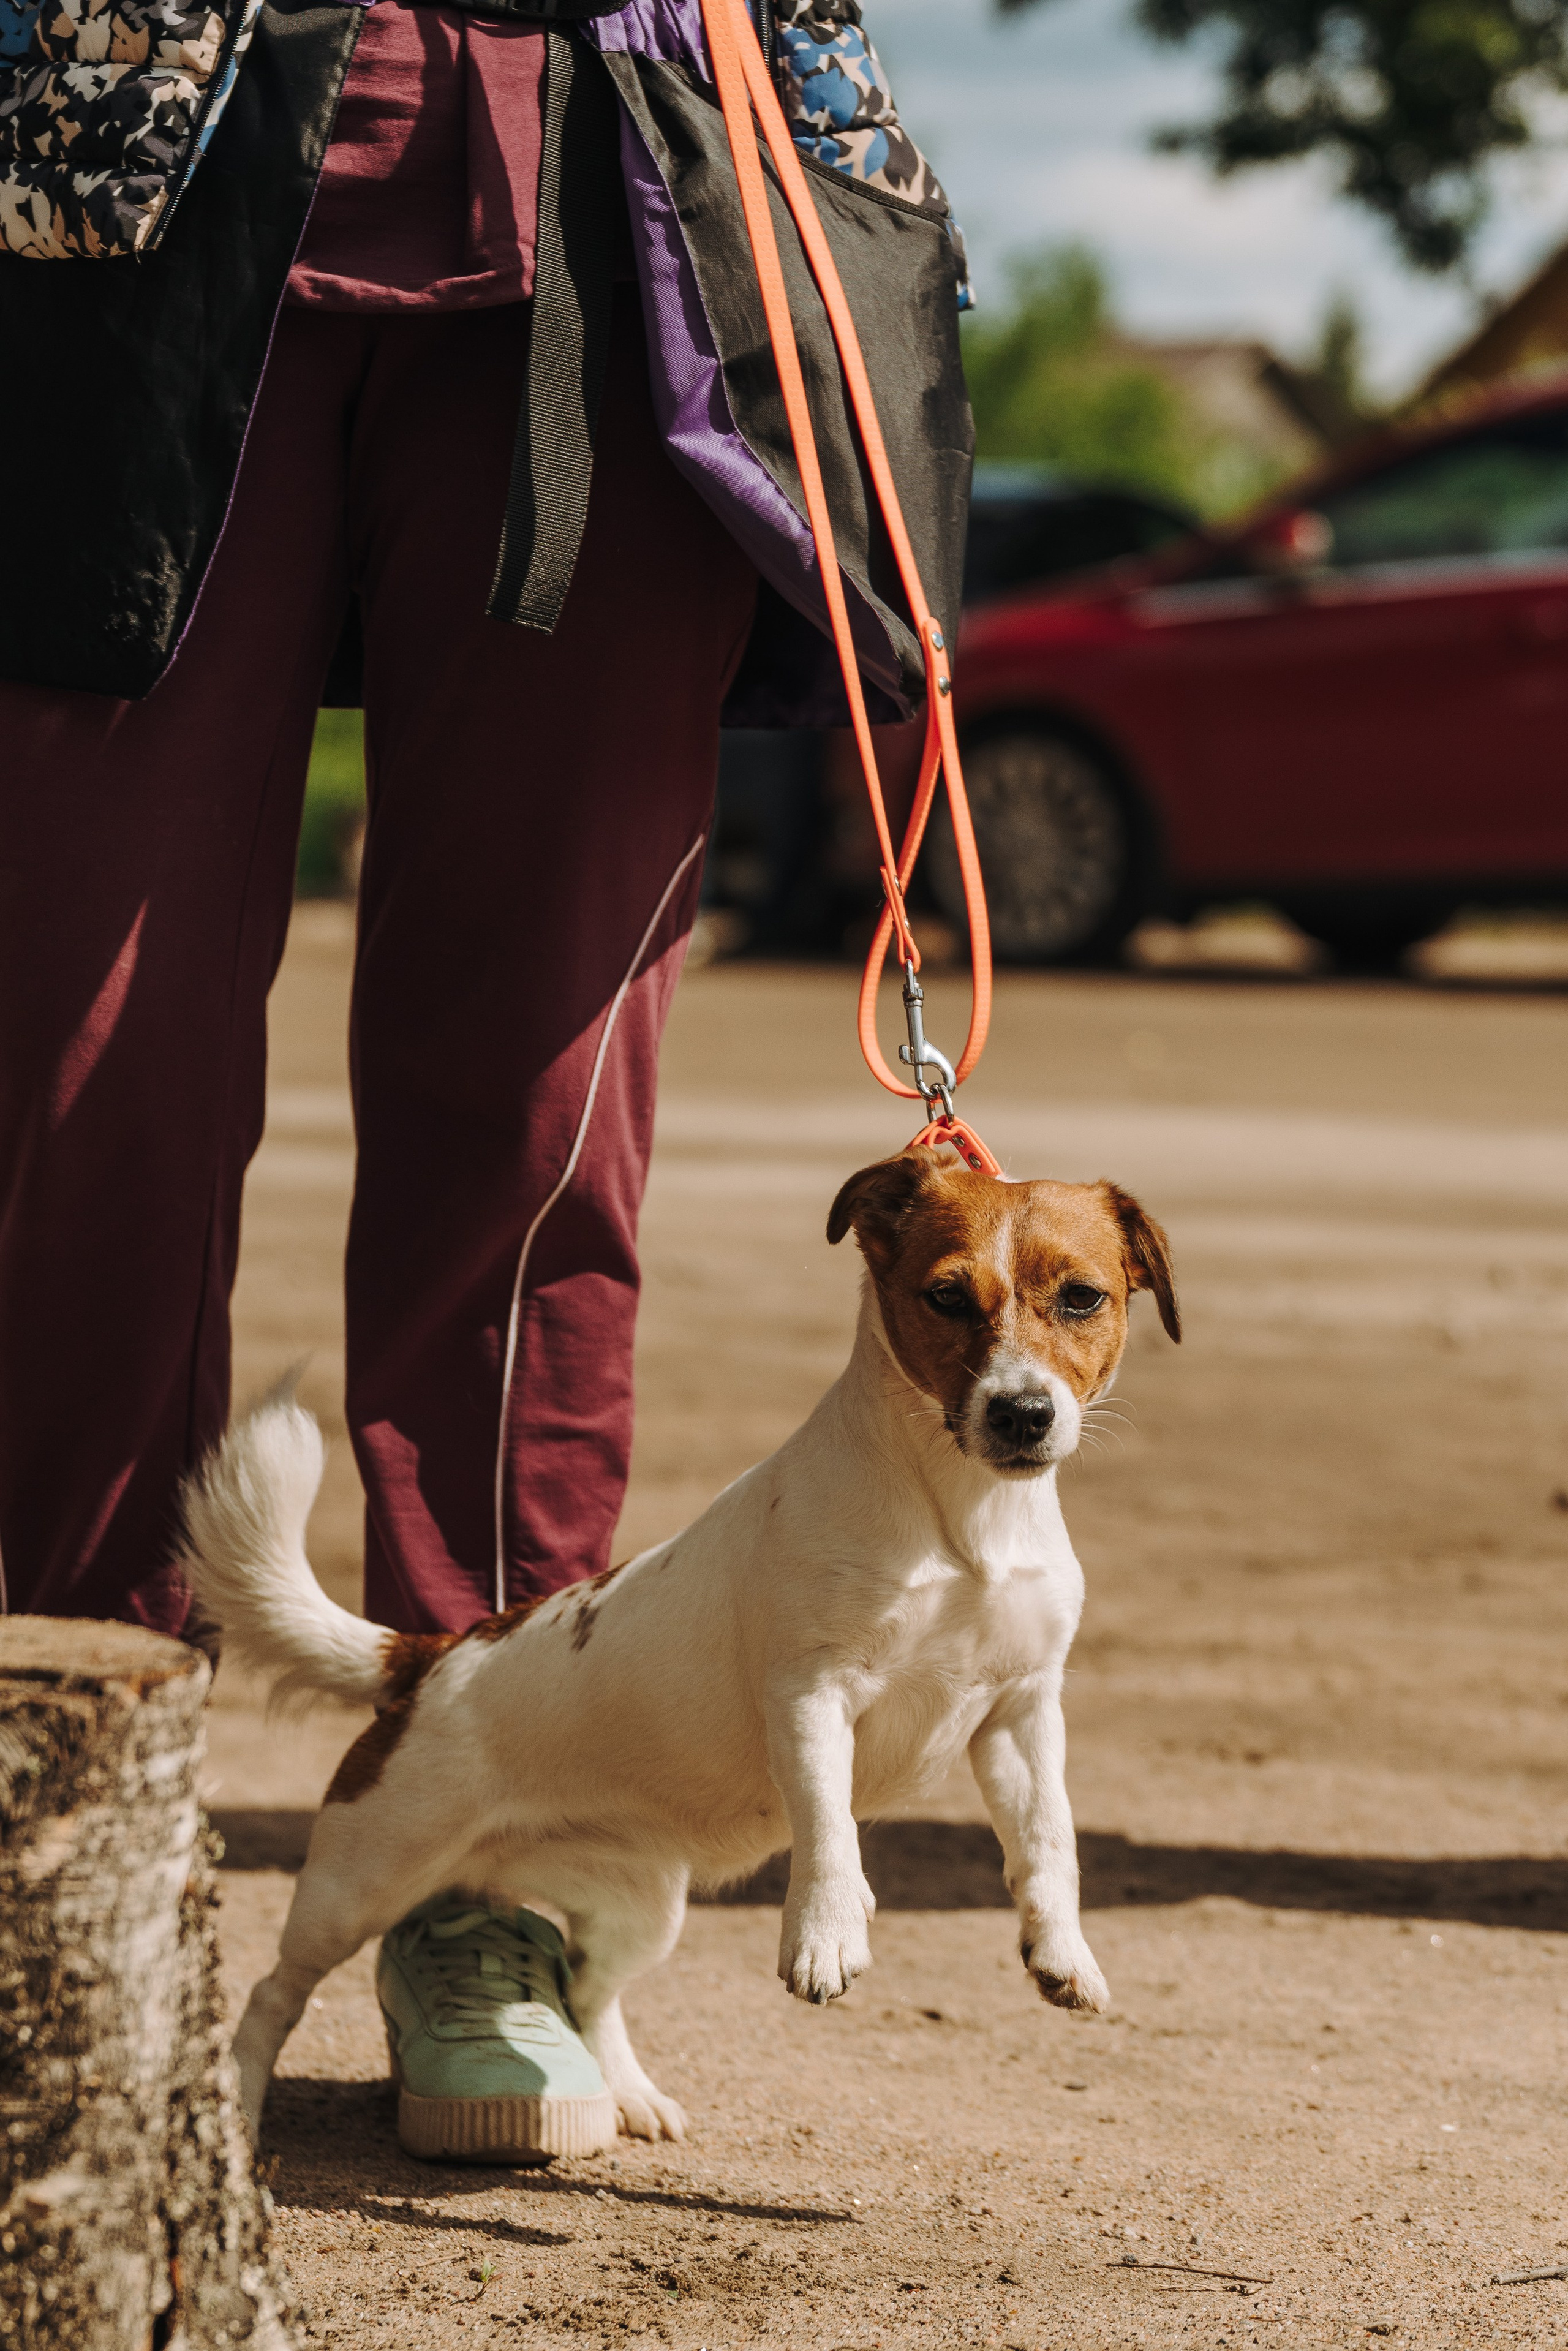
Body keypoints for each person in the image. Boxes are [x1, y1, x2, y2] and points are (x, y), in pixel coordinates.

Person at [0, 0, 971, 2159]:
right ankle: (74, 1841)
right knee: (82, 1086)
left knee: (539, 1121)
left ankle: (499, 1883)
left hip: (632, 188)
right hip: (117, 162)